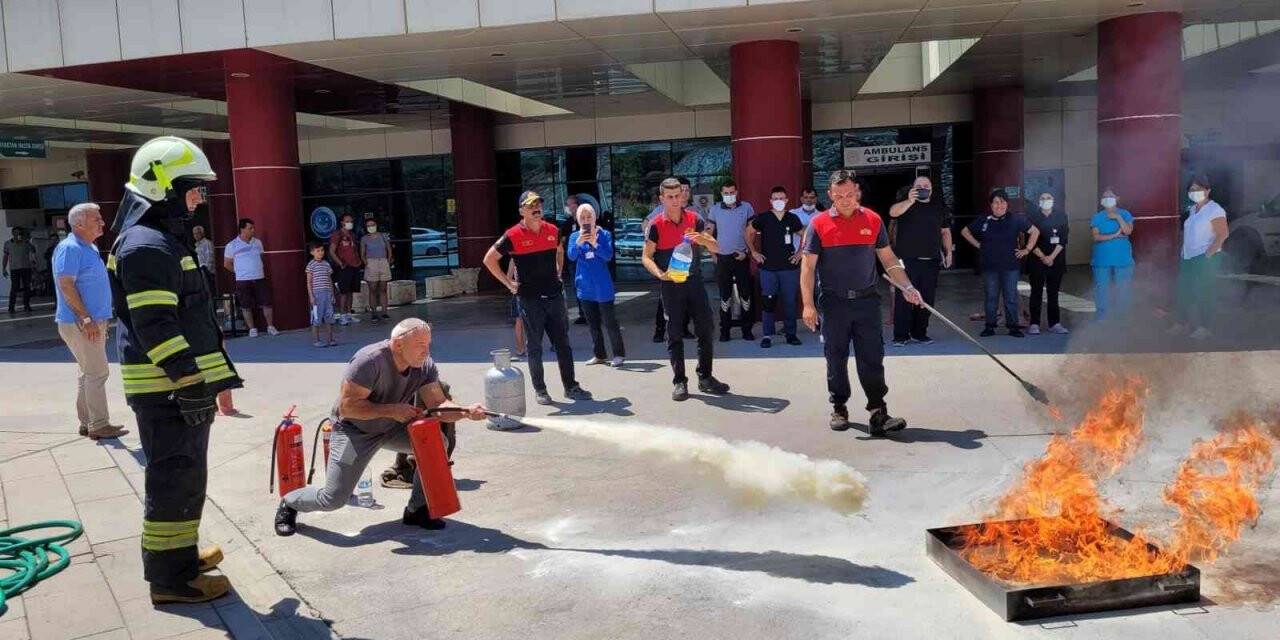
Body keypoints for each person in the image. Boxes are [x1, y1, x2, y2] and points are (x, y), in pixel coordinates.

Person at [108, 136, 243, 604]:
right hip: (168, 391)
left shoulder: (158, 240)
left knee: (185, 477)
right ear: (164, 187)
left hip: (178, 389)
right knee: (173, 481)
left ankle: (180, 556)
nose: (199, 199)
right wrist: (188, 381)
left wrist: (212, 379)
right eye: (192, 189)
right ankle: (170, 580)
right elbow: (155, 325)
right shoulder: (147, 246)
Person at [274, 319, 487, 536]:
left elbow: (438, 405)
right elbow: (348, 408)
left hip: (392, 426)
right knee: (333, 498)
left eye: (428, 344)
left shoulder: (424, 366)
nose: (426, 351)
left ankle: (417, 510)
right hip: (354, 431)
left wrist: (466, 412)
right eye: (420, 345)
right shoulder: (369, 361)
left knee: (438, 443)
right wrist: (392, 410)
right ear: (397, 345)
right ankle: (290, 503)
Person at [801, 170, 921, 434]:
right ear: (830, 195)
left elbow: (888, 260)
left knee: (872, 357)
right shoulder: (818, 224)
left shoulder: (873, 220)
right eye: (838, 195)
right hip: (834, 303)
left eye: (849, 194)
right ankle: (839, 407)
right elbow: (808, 268)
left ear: (858, 193)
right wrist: (808, 305)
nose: (844, 199)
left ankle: (878, 411)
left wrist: (907, 286)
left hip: (867, 302)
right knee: (836, 357)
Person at [483, 190, 591, 406]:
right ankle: (541, 390)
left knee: (563, 344)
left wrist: (559, 270)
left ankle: (571, 386)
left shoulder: (552, 230)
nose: (536, 208)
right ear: (522, 210)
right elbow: (489, 259)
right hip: (530, 300)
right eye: (531, 205)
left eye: (538, 204)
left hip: (554, 296)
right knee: (534, 347)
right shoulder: (512, 235)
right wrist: (508, 283)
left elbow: (559, 251)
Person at [642, 177, 730, 401]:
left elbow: (716, 246)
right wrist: (660, 274)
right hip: (671, 285)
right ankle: (680, 381)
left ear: (683, 196)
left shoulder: (695, 219)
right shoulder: (656, 226)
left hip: (694, 283)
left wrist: (701, 238)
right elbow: (647, 257)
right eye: (669, 197)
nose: (674, 200)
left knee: (706, 329)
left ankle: (706, 377)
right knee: (675, 334)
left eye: (677, 196)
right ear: (661, 198)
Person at [52, 203, 127, 440]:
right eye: (97, 219)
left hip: (89, 321)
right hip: (81, 322)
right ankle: (99, 424)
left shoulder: (89, 247)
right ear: (79, 224)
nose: (102, 222)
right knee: (97, 372)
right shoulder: (70, 248)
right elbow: (66, 284)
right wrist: (85, 318)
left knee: (87, 372)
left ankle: (87, 422)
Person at [886, 176, 954, 346]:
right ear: (913, 188)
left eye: (926, 186)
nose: (923, 188)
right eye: (919, 186)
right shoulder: (905, 204)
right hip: (907, 260)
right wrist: (909, 200)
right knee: (904, 299)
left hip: (931, 260)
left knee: (926, 300)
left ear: (931, 189)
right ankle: (901, 336)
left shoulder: (939, 207)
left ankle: (919, 333)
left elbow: (945, 231)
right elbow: (892, 212)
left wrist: (949, 252)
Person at [961, 190, 1039, 338]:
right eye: (996, 202)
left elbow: (1035, 231)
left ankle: (1013, 327)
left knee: (1010, 297)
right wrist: (978, 245)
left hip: (1011, 267)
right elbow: (965, 231)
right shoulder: (984, 220)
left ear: (1007, 204)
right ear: (991, 205)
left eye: (1002, 202)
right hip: (990, 267)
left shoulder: (1016, 219)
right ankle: (990, 326)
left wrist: (1027, 249)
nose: (999, 205)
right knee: (991, 298)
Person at [746, 185, 805, 348]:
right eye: (775, 198)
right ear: (770, 201)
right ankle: (767, 335)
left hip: (789, 267)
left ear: (786, 200)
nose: (779, 201)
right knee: (768, 301)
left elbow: (805, 234)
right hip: (768, 268)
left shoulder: (792, 218)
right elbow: (748, 232)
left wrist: (800, 252)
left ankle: (791, 334)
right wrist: (754, 252)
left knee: (790, 302)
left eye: (781, 198)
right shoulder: (763, 218)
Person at [567, 203, 625, 366]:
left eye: (589, 217)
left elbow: (607, 256)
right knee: (592, 324)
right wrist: (579, 242)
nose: (586, 220)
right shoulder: (574, 237)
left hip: (602, 286)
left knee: (610, 322)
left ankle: (619, 354)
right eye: (582, 218)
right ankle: (599, 354)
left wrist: (595, 243)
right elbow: (571, 257)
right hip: (585, 286)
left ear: (594, 217)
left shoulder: (604, 234)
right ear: (578, 220)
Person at [1173, 175, 1229, 339]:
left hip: (1205, 258)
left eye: (1198, 189)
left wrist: (1208, 255)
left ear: (1208, 190)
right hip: (1188, 257)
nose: (1194, 192)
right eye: (1191, 189)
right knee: (1184, 291)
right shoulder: (1192, 210)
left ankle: (1206, 327)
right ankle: (1182, 324)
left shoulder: (1215, 209)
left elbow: (1222, 234)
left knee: (1205, 292)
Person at [707, 180, 756, 341]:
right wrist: (713, 255)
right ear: (721, 194)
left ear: (736, 192)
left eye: (731, 193)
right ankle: (725, 331)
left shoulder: (746, 207)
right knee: (725, 296)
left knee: (745, 295)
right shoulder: (714, 210)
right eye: (726, 193)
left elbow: (752, 232)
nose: (729, 196)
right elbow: (708, 233)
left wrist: (748, 252)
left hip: (741, 256)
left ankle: (747, 330)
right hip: (723, 258)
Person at [648, 177, 694, 343]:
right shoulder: (662, 211)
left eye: (686, 190)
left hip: (686, 264)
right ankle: (660, 331)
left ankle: (684, 328)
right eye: (683, 189)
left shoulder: (693, 213)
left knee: (688, 299)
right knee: (665, 302)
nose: (684, 193)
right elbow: (647, 224)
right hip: (669, 265)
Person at [223, 218, 277, 337]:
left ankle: (270, 326)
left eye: (253, 228)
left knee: (267, 302)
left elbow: (261, 257)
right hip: (242, 280)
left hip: (259, 277)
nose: (253, 230)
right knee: (245, 305)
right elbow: (226, 264)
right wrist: (239, 272)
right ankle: (252, 329)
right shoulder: (232, 245)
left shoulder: (258, 242)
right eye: (250, 228)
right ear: (242, 229)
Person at [1026, 192, 1070, 335]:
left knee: (1053, 293)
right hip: (1037, 260)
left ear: (1053, 200)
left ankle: (1054, 323)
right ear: (1038, 201)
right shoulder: (1032, 217)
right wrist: (1043, 257)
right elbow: (1029, 240)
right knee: (1036, 292)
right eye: (1043, 198)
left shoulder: (1061, 216)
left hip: (1056, 260)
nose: (1046, 200)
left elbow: (1063, 239)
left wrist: (1051, 257)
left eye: (1049, 198)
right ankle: (1034, 324)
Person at [1090, 187, 1135, 322]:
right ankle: (1102, 318)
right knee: (1102, 289)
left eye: (1111, 196)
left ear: (1117, 199)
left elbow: (1127, 231)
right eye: (1105, 197)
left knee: (1123, 289)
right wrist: (1115, 235)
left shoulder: (1125, 214)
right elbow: (1096, 237)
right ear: (1101, 201)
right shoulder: (1097, 217)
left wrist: (1117, 217)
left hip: (1123, 258)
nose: (1108, 199)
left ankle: (1122, 319)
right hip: (1102, 259)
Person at [329, 213, 363, 326]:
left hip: (355, 266)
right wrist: (340, 263)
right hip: (344, 267)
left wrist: (358, 262)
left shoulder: (352, 235)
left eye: (351, 221)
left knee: (351, 291)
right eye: (347, 221)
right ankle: (342, 315)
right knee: (343, 292)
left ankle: (349, 314)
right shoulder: (337, 235)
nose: (350, 223)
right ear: (342, 222)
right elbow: (332, 251)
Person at [559, 194, 587, 326]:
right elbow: (562, 241)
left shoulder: (586, 220)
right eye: (568, 205)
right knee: (577, 286)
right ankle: (583, 313)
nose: (569, 207)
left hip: (587, 259)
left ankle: (592, 312)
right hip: (573, 260)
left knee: (589, 284)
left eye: (571, 204)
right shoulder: (567, 223)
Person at [361, 216, 392, 324]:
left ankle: (384, 311)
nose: (371, 227)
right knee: (373, 289)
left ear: (376, 225)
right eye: (368, 225)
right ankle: (374, 312)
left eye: (372, 225)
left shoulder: (383, 236)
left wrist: (387, 261)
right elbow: (362, 253)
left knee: (383, 289)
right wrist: (367, 263)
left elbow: (389, 249)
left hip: (383, 262)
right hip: (371, 263)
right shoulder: (364, 238)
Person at [305, 242, 337, 347]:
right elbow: (309, 282)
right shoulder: (310, 265)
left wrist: (332, 294)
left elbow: (330, 280)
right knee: (316, 318)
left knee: (329, 317)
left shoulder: (326, 264)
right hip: (317, 295)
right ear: (312, 252)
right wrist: (311, 296)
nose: (320, 253)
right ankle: (317, 341)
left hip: (327, 293)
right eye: (317, 251)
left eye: (322, 250)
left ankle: (330, 339)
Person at [3, 226, 36, 314]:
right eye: (16, 232)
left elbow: (33, 250)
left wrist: (27, 241)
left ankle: (27, 305)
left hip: (26, 268)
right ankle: (11, 307)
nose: (17, 234)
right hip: (14, 269)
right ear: (13, 233)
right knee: (14, 287)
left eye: (19, 233)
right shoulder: (8, 243)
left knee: (27, 287)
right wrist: (3, 268)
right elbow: (5, 256)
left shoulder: (26, 243)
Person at [507, 260, 526, 358]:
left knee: (521, 321)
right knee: (520, 321)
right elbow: (509, 278)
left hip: (525, 292)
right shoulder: (514, 259)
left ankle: (521, 348)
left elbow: (508, 278)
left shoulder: (513, 259)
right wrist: (514, 286)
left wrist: (513, 285)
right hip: (521, 292)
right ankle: (521, 347)